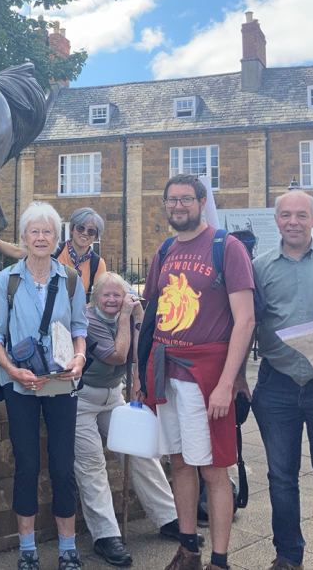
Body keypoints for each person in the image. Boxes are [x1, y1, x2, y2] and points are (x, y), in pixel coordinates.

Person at [136, 174, 255, 570]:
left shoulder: (228, 247)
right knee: (180, 463)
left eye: (186, 199)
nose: (178, 207)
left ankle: (219, 561)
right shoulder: (165, 250)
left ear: (202, 202)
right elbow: (151, 314)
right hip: (166, 370)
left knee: (215, 469)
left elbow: (246, 321)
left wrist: (227, 383)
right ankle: (188, 548)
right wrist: (140, 374)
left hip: (206, 375)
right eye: (172, 200)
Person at [0, 202, 88, 570]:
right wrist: (11, 369)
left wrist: (79, 357)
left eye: (47, 232)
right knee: (26, 464)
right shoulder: (6, 280)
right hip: (21, 384)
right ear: (24, 237)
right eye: (34, 231)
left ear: (56, 238)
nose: (41, 237)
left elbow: (80, 327)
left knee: (63, 466)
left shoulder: (70, 279)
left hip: (61, 383)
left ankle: (67, 548)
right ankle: (27, 549)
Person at [251, 190, 313, 570]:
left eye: (301, 214)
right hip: (277, 384)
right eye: (286, 214)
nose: (293, 221)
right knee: (280, 478)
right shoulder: (258, 268)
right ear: (276, 220)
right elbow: (248, 323)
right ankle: (288, 556)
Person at [76, 271, 183, 567]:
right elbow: (118, 354)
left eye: (118, 295)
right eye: (106, 295)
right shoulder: (88, 319)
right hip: (81, 400)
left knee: (140, 453)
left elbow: (140, 354)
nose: (113, 300)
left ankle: (169, 517)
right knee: (91, 464)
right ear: (95, 298)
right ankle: (106, 536)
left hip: (113, 395)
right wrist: (127, 317)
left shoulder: (128, 312)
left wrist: (140, 318)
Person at [0, 207, 106, 300]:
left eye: (91, 231)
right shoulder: (55, 250)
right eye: (81, 228)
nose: (84, 233)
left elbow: (99, 297)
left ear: (96, 236)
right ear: (72, 229)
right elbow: (17, 252)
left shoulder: (97, 263)